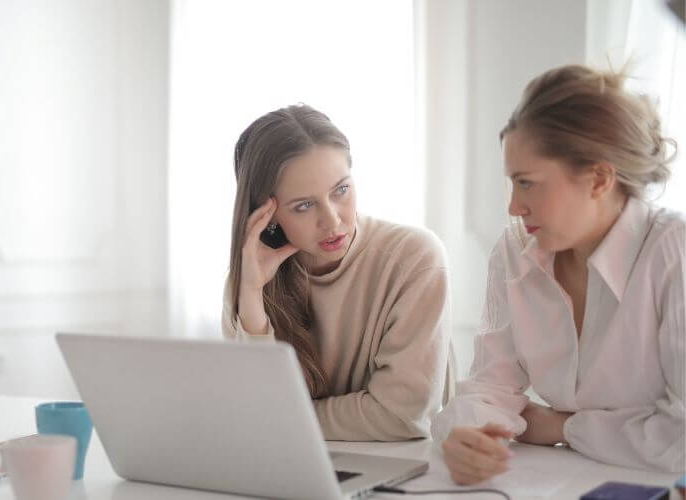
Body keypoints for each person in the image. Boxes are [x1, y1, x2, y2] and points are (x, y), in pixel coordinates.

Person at [431, 64, 685, 483]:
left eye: (527, 183)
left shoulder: (674, 250)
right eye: (512, 183)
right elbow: (491, 386)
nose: (515, 206)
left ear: (599, 178)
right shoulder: (515, 251)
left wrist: (565, 427)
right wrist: (467, 434)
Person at [222, 104, 455, 441]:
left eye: (341, 191)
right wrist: (252, 298)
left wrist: (284, 417)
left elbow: (402, 417)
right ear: (267, 215)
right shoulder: (250, 280)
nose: (332, 220)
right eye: (304, 205)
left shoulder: (415, 258)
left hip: (405, 468)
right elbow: (253, 409)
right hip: (300, 465)